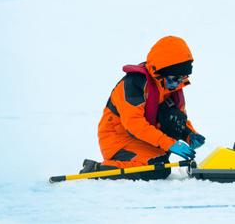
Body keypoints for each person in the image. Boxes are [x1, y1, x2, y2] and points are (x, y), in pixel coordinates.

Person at [80, 35, 205, 180]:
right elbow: (134, 124)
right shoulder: (133, 84)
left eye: (182, 79)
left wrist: (190, 135)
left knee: (161, 163)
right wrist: (169, 143)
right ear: (160, 73)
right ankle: (96, 169)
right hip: (119, 141)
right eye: (174, 79)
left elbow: (178, 117)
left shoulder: (170, 87)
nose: (177, 84)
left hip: (143, 141)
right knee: (158, 169)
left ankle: (146, 158)